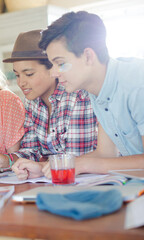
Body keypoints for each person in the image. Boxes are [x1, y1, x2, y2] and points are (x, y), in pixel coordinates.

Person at [0, 30, 98, 179]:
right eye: (17, 75)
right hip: (54, 182)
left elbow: (73, 160)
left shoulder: (78, 96)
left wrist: (40, 165)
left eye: (29, 74)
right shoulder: (32, 102)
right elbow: (31, 150)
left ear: (52, 68)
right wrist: (6, 160)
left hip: (87, 182)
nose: (21, 83)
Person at [38, 11, 144, 177]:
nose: (53, 73)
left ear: (88, 56)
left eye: (60, 63)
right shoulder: (97, 90)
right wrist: (48, 167)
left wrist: (84, 164)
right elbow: (105, 153)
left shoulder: (137, 83)